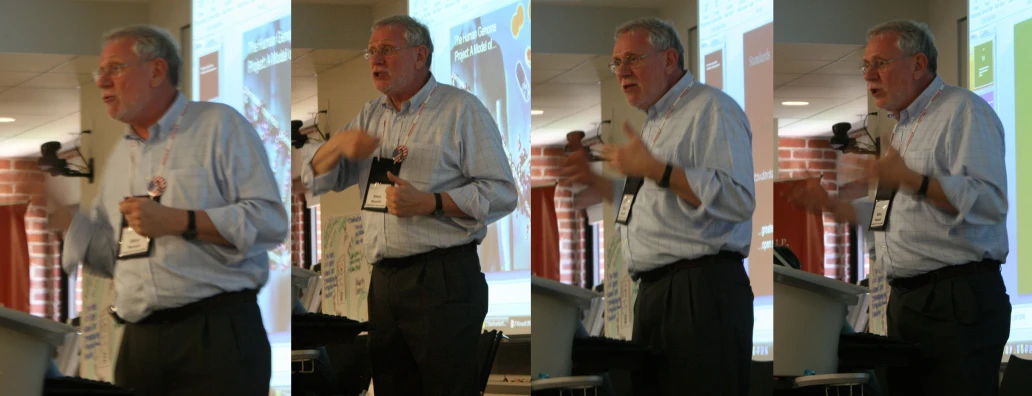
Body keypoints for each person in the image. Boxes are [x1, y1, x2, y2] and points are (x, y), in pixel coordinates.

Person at [56, 25, 287, 395]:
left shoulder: (219, 126)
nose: (102, 82)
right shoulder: (120, 156)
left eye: (114, 68)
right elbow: (113, 256)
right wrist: (65, 219)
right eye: (99, 72)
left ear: (157, 70)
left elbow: (271, 223)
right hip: (139, 342)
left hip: (215, 335)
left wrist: (180, 221)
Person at [783, 20, 1009, 396]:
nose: (869, 74)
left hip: (957, 298)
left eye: (881, 63)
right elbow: (892, 212)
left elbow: (989, 202)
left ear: (919, 64)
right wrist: (840, 209)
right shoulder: (903, 128)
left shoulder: (963, 112)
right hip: (906, 302)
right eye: (865, 65)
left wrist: (913, 179)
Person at [300, 15, 517, 396]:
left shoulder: (461, 110)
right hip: (384, 281)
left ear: (420, 55)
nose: (375, 61)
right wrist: (334, 146)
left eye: (386, 50)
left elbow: (501, 193)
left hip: (442, 279)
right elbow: (315, 181)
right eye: (371, 52)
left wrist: (431, 202)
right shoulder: (370, 115)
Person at [560, 17, 755, 395]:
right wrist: (601, 184)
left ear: (668, 59)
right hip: (655, 295)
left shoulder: (710, 109)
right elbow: (660, 204)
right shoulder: (654, 122)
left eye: (632, 58)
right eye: (617, 63)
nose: (622, 71)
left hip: (701, 291)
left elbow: (737, 197)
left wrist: (653, 167)